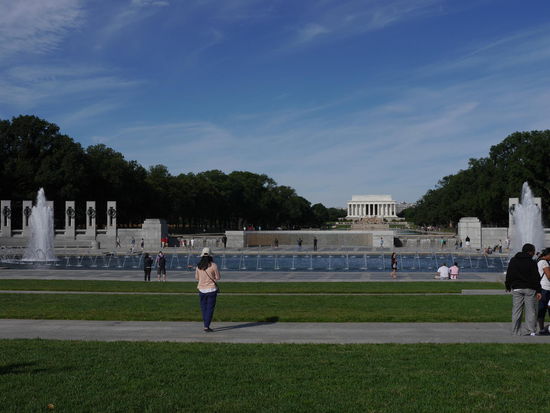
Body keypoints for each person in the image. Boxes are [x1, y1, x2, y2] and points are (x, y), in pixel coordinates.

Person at [505, 243, 542, 336]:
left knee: (516, 311)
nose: (534, 253)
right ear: (530, 252)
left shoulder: (514, 260)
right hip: (530, 289)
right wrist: (538, 290)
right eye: (533, 251)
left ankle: (515, 331)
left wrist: (508, 285)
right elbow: (536, 277)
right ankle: (531, 331)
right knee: (531, 311)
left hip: (517, 288)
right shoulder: (532, 262)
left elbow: (509, 273)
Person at [195, 247, 221, 332]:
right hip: (211, 289)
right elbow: (218, 277)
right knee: (210, 308)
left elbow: (196, 278)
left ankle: (205, 324)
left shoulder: (198, 266)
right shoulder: (213, 265)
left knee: (204, 308)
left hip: (201, 289)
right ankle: (206, 326)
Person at [536, 248, 550, 334]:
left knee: (542, 308)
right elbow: (549, 276)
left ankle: (541, 328)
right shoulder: (544, 262)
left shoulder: (539, 261)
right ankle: (542, 330)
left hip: (543, 287)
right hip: (546, 288)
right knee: (544, 308)